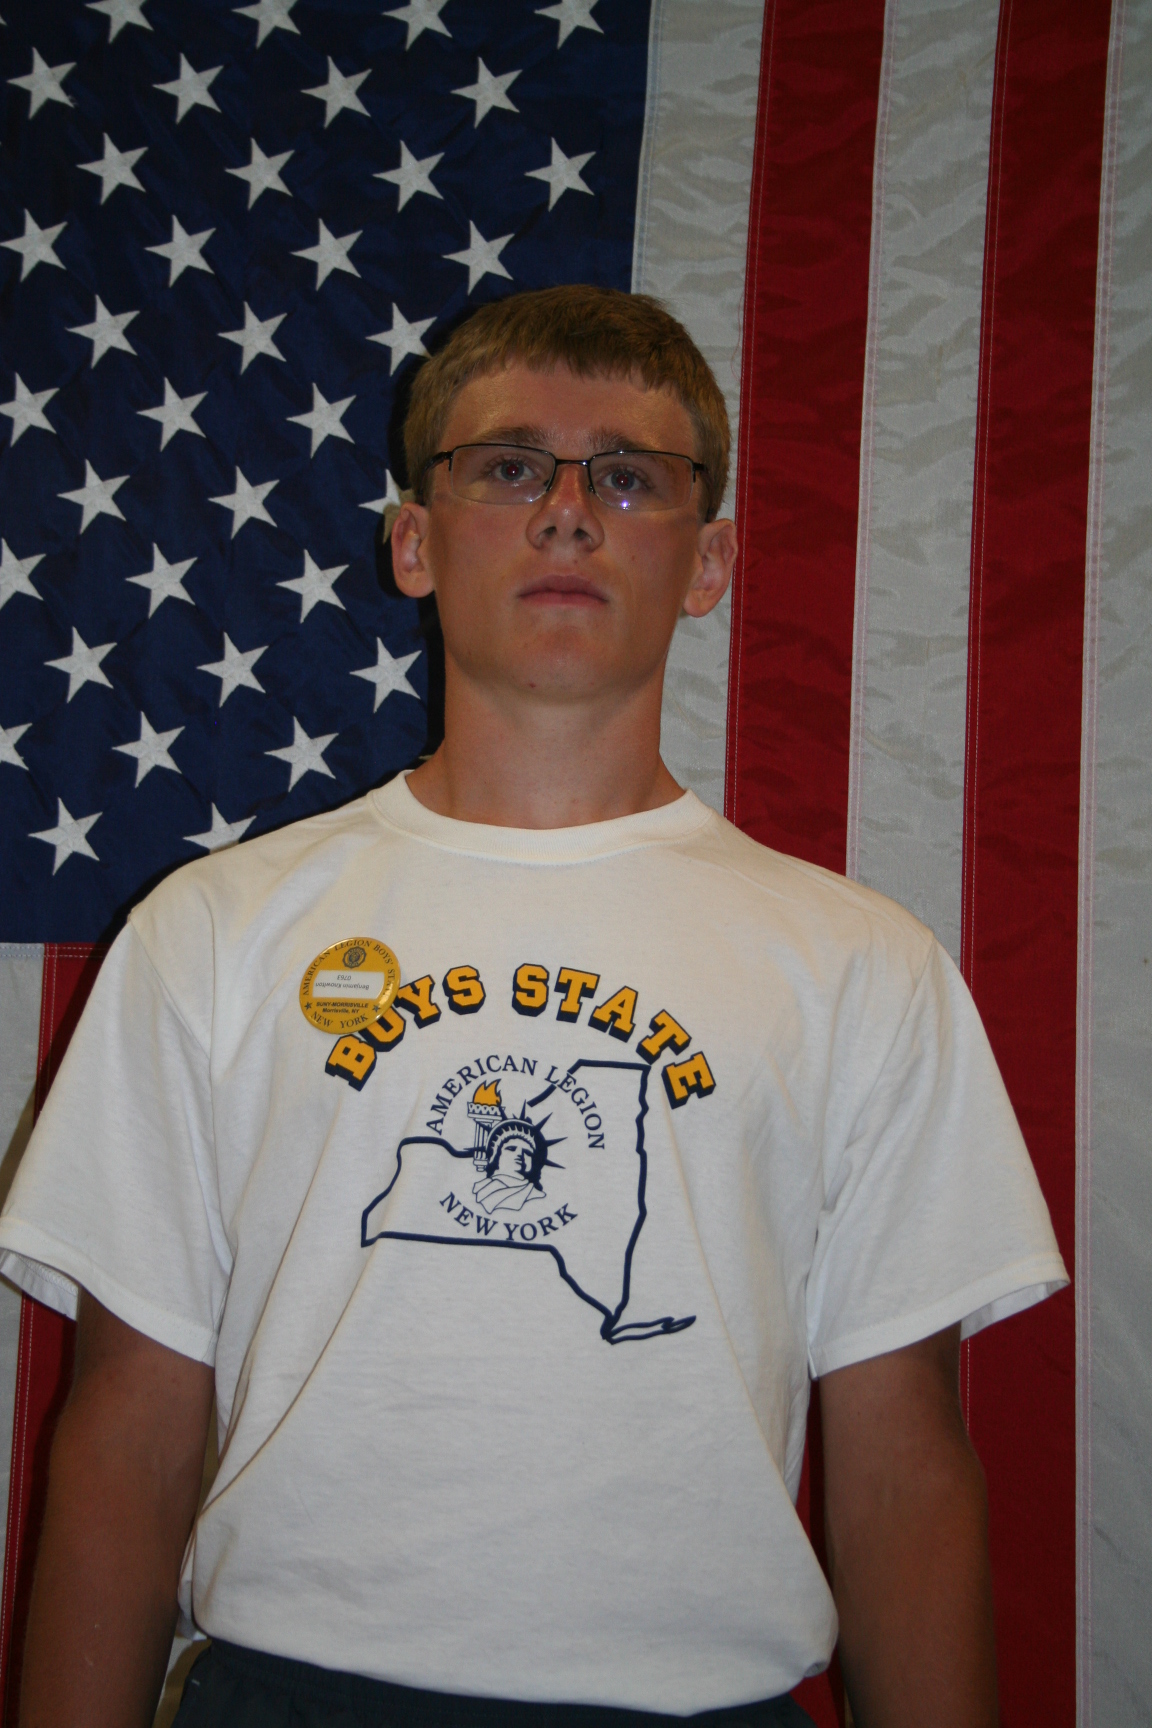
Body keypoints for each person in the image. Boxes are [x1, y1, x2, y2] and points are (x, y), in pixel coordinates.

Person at [0, 286, 1067, 1728]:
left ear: (709, 559)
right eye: (509, 467)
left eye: (628, 477)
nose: (568, 514)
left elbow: (905, 1466)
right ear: (416, 540)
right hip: (296, 1696)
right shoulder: (215, 933)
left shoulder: (859, 967)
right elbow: (127, 1432)